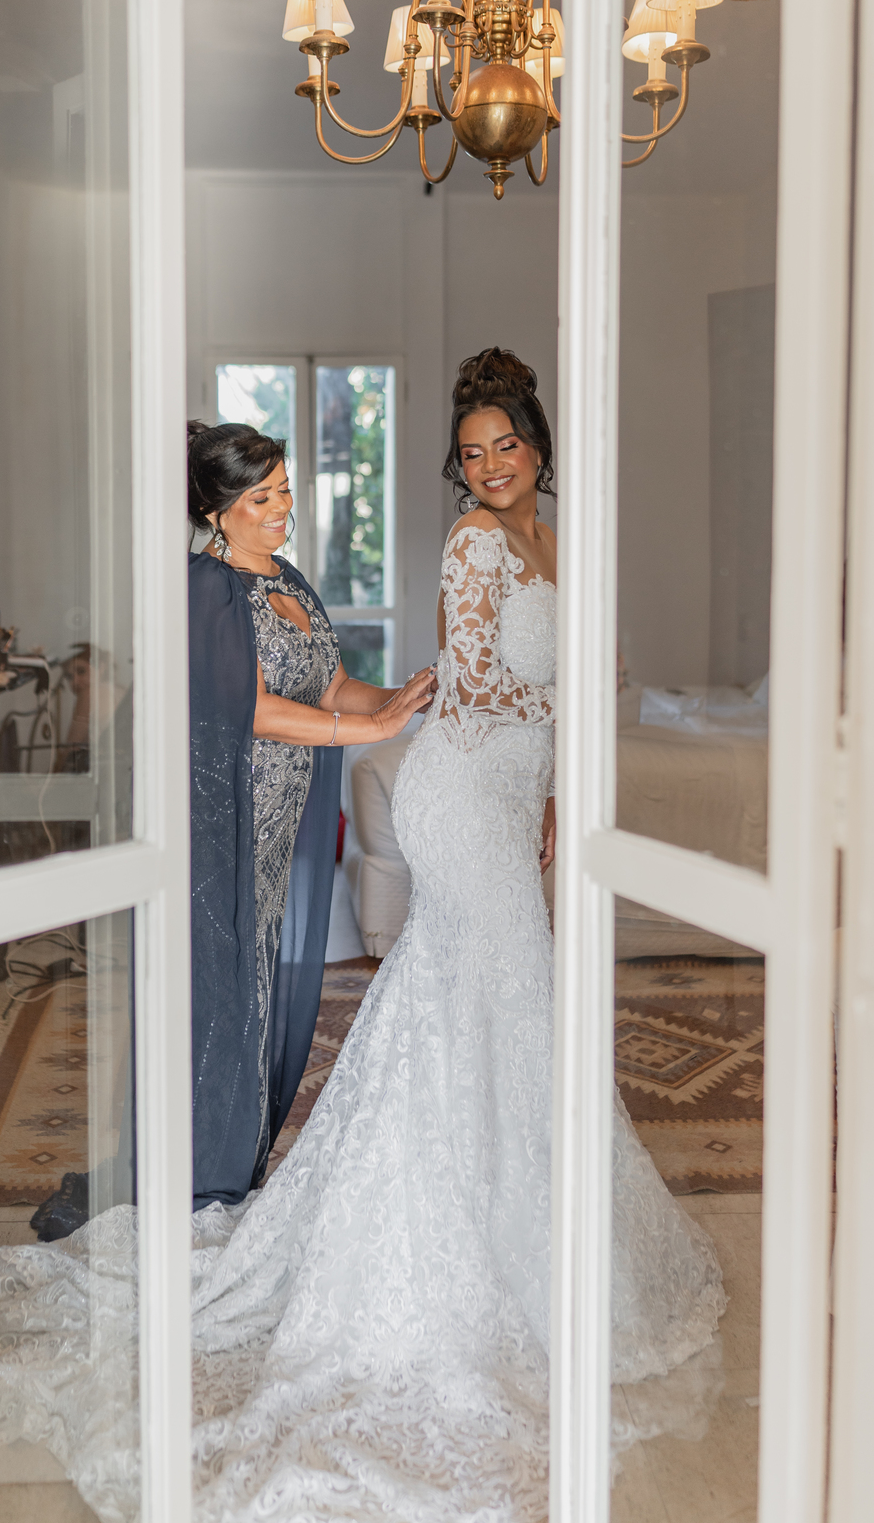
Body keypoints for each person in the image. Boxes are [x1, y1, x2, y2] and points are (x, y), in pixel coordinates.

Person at [187, 350, 726, 1519]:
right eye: (472, 454)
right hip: (458, 796)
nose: (489, 467)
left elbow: (563, 690)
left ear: (536, 447)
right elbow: (479, 687)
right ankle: (468, 1256)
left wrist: (552, 789)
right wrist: (561, 708)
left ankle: (505, 1219)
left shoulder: (556, 541)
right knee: (511, 989)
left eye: (505, 446)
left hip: (510, 794)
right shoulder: (474, 545)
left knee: (480, 999)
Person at [186, 420, 435, 1211]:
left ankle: (240, 1157)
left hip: (281, 820)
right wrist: (369, 730)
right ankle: (206, 1171)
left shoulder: (289, 580)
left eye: (285, 491)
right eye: (260, 497)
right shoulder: (209, 588)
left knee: (261, 979)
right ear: (218, 510)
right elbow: (251, 708)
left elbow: (330, 687)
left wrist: (401, 699)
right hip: (228, 818)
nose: (281, 509)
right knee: (227, 988)